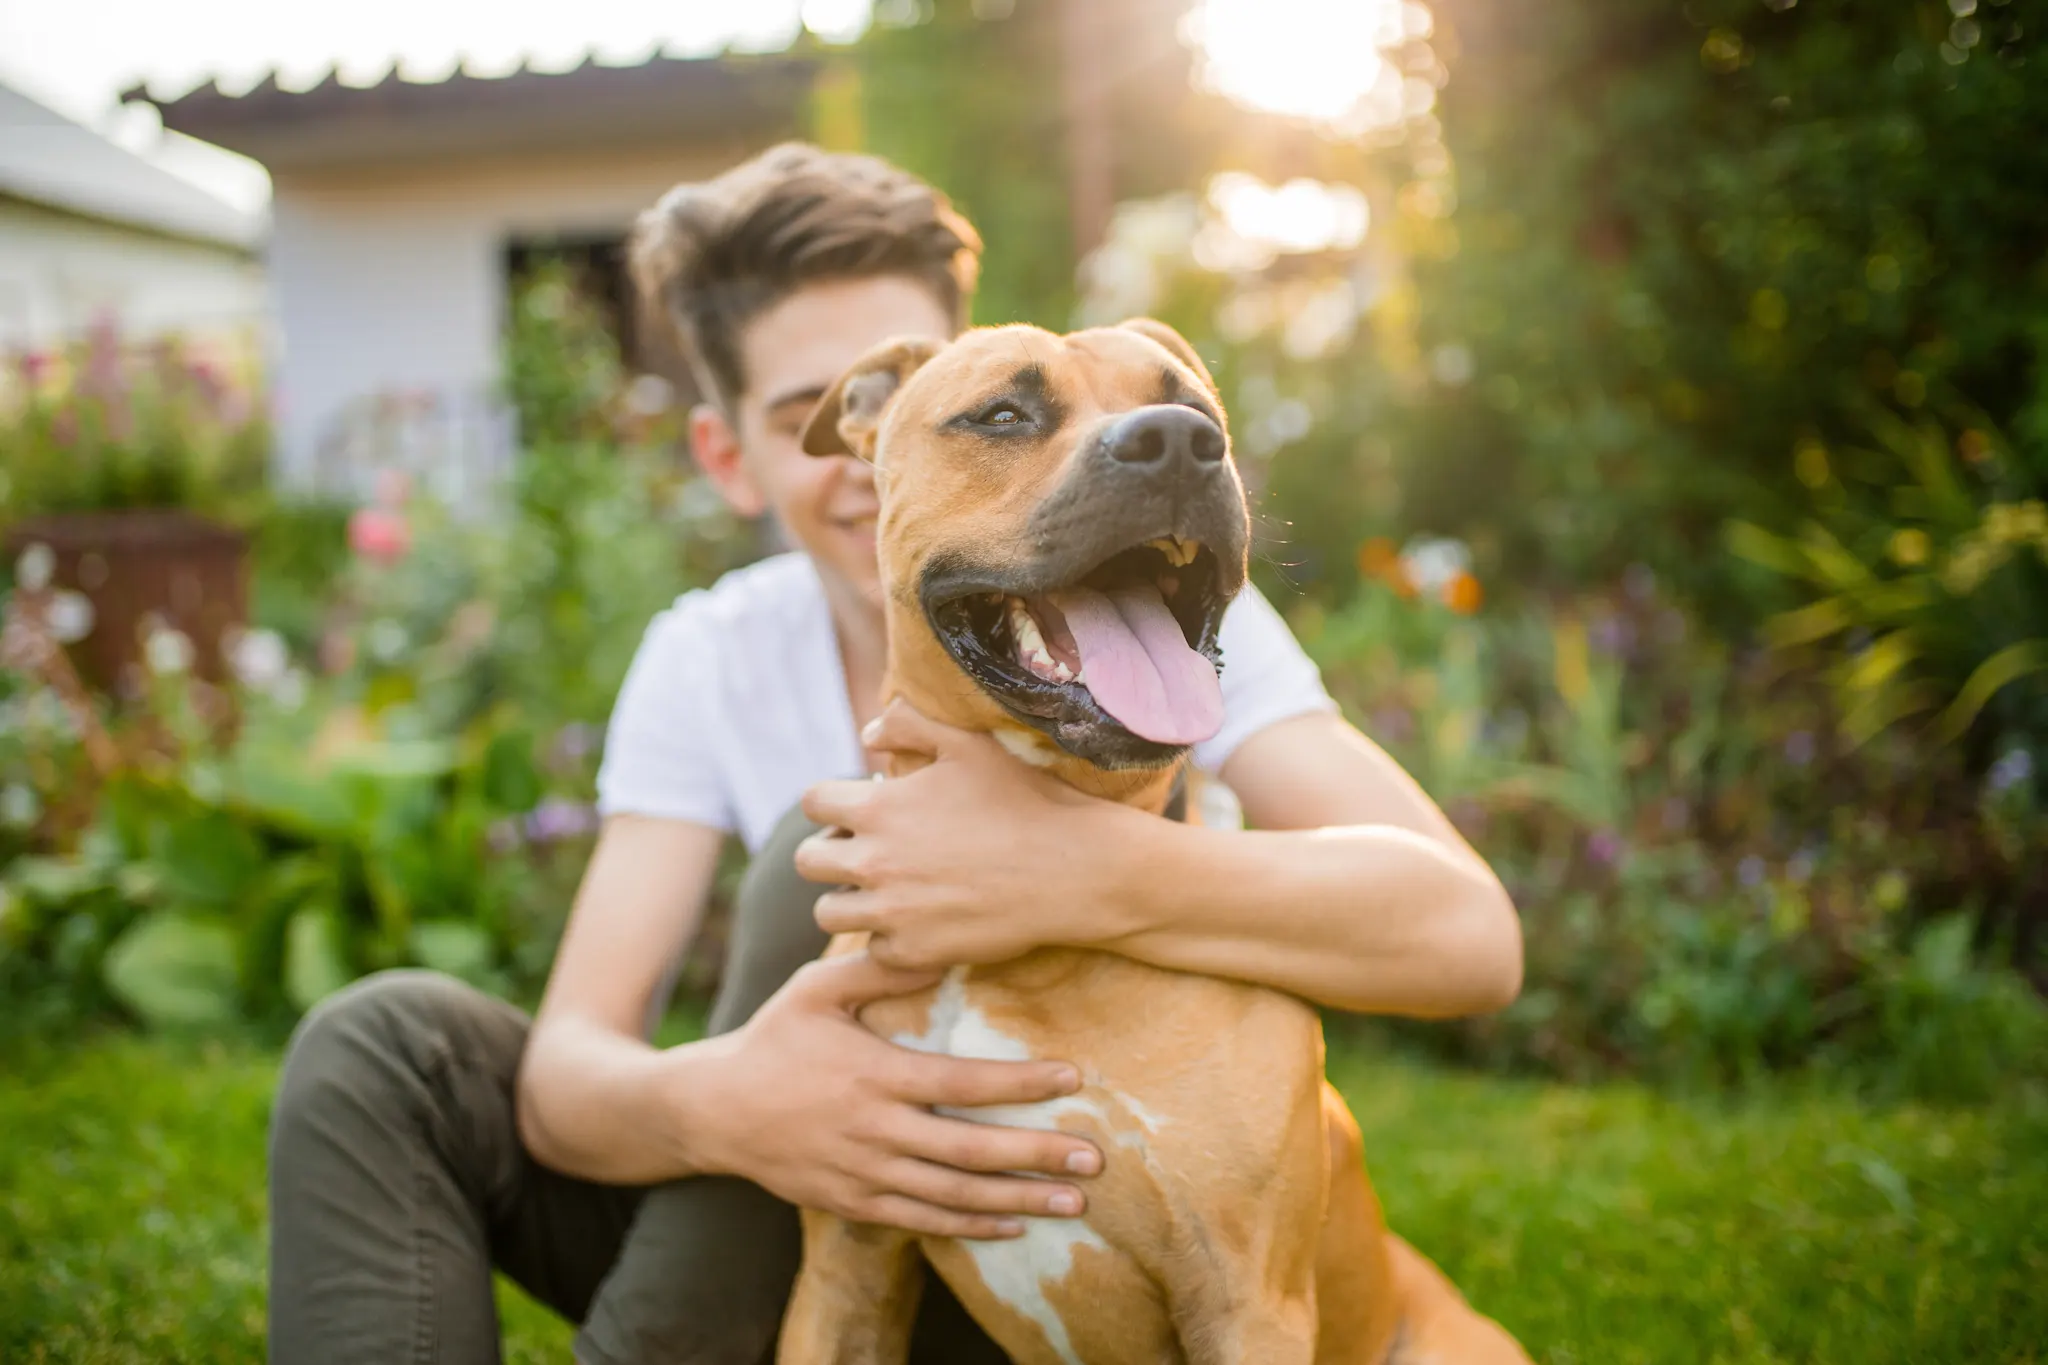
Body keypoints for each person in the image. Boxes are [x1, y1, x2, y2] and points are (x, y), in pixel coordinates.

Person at [266, 143, 1523, 1365]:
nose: (1118, 444)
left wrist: (1073, 863)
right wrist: (743, 1102)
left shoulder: (1163, 633)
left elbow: (1467, 934)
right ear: (774, 446)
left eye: (1168, 420)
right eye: (1001, 419)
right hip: (798, 1214)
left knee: (807, 865)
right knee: (388, 1044)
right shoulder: (711, 654)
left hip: (1053, 1262)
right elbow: (569, 1077)